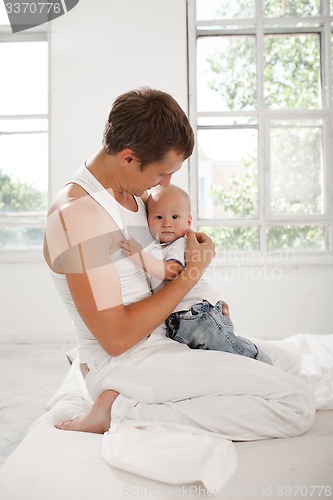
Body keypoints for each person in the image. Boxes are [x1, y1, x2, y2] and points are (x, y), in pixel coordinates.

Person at [43, 86, 315, 438]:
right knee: (295, 404)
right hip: (126, 361)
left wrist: (202, 302)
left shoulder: (134, 196)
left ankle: (144, 403)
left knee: (289, 364)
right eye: (161, 173)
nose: (165, 183)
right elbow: (116, 338)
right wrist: (191, 275)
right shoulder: (79, 215)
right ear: (128, 157)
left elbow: (157, 271)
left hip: (170, 336)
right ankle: (120, 409)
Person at [120, 184, 272, 364]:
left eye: (175, 217)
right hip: (179, 320)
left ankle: (261, 363)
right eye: (159, 217)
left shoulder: (179, 244)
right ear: (148, 220)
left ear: (188, 222)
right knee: (215, 359)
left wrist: (140, 258)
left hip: (196, 314)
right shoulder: (155, 247)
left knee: (231, 350)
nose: (167, 223)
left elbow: (172, 271)